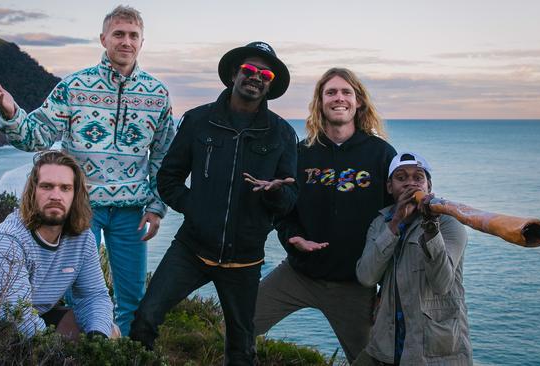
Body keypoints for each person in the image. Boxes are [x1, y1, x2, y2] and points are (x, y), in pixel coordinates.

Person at [0, 6, 175, 335]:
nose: (125, 41)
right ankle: (82, 351)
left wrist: (156, 208)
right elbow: (37, 136)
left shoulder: (157, 95)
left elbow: (163, 156)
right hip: (81, 209)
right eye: (118, 34)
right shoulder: (74, 86)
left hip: (131, 212)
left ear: (142, 42)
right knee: (77, 294)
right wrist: (11, 112)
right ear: (104, 39)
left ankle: (121, 355)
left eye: (132, 36)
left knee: (132, 297)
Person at [130, 41, 297, 365]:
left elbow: (289, 200)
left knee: (242, 348)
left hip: (244, 261)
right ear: (234, 74)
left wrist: (275, 192)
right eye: (249, 70)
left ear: (271, 83)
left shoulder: (282, 133)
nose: (256, 77)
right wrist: (196, 208)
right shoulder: (198, 121)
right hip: (191, 250)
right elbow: (169, 178)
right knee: (145, 320)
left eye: (265, 73)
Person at [253, 67, 397, 362]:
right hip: (298, 273)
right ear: (320, 102)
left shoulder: (381, 155)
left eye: (346, 92)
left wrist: (387, 290)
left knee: (372, 360)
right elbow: (283, 211)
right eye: (330, 92)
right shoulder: (301, 153)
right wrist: (293, 237)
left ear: (358, 102)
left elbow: (396, 225)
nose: (338, 98)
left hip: (354, 285)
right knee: (239, 327)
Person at [0, 150, 116, 339]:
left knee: (109, 331)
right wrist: (59, 355)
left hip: (34, 315)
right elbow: (15, 315)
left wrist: (97, 340)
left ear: (75, 195)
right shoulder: (7, 239)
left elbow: (93, 296)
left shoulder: (82, 238)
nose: (56, 196)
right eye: (47, 186)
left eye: (65, 188)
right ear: (33, 191)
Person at [353, 152, 472, 365]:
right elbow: (366, 277)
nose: (410, 183)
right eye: (401, 177)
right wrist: (395, 223)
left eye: (418, 177)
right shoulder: (381, 223)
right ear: (390, 187)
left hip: (434, 350)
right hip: (386, 345)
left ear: (428, 186)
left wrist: (430, 227)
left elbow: (442, 282)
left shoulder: (449, 223)